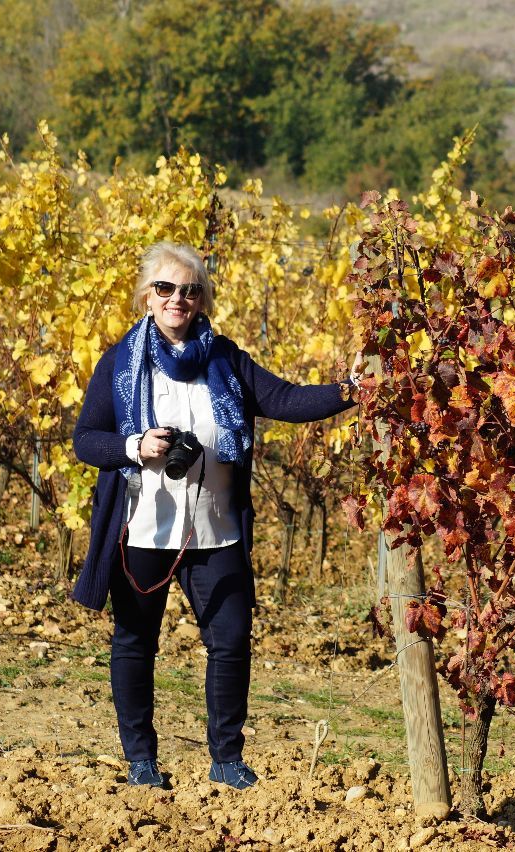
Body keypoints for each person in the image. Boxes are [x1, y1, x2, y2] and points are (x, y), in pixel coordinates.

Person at [71, 241, 359, 789]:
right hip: (144, 528)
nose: (177, 299)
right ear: (147, 297)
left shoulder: (226, 358)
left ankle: (226, 758)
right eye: (166, 289)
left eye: (190, 290)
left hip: (215, 530)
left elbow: (287, 401)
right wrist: (135, 446)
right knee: (135, 641)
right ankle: (140, 760)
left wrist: (351, 391)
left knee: (229, 642)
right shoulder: (119, 361)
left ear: (202, 300)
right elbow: (86, 440)